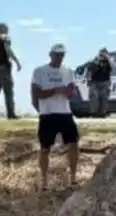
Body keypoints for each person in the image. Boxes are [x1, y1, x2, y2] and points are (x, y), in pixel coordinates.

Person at [31, 43, 80, 189]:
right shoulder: (40, 71)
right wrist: (55, 90)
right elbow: (37, 93)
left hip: (65, 113)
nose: (59, 57)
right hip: (48, 114)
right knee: (45, 147)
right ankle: (44, 180)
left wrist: (69, 92)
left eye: (62, 55)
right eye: (57, 54)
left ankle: (73, 177)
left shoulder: (68, 71)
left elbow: (72, 93)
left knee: (74, 143)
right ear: (50, 55)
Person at [0, 22, 21, 120]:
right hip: (3, 67)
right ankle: (10, 114)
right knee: (8, 92)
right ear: (3, 29)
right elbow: (8, 50)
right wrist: (17, 61)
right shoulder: (5, 38)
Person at [87, 47, 114, 118]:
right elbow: (89, 70)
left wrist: (108, 58)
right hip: (94, 82)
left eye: (104, 53)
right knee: (94, 97)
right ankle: (94, 113)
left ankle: (102, 114)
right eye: (101, 53)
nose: (103, 55)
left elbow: (114, 67)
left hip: (105, 82)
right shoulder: (95, 60)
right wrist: (88, 80)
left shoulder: (109, 61)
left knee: (104, 98)